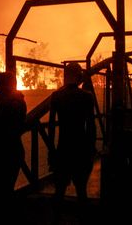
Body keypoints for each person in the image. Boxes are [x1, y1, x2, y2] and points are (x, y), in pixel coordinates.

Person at [48, 63, 97, 207]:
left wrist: (52, 150)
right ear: (78, 76)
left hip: (63, 148)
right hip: (81, 148)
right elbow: (91, 126)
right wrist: (91, 147)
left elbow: (51, 127)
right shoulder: (86, 97)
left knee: (59, 191)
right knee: (81, 191)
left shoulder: (56, 96)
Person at [0, 72, 26, 202]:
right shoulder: (14, 100)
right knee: (4, 187)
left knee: (4, 187)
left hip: (7, 149)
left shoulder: (12, 102)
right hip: (8, 149)